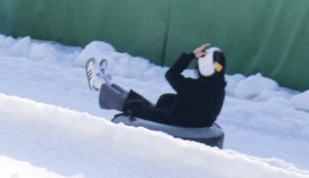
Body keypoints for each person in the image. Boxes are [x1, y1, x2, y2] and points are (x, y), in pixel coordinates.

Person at [86, 44, 226, 129]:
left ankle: (98, 84)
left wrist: (190, 56)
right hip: (188, 121)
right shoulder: (218, 88)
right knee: (157, 101)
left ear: (205, 67)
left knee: (135, 106)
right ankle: (108, 85)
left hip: (178, 122)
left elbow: (171, 74)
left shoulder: (197, 87)